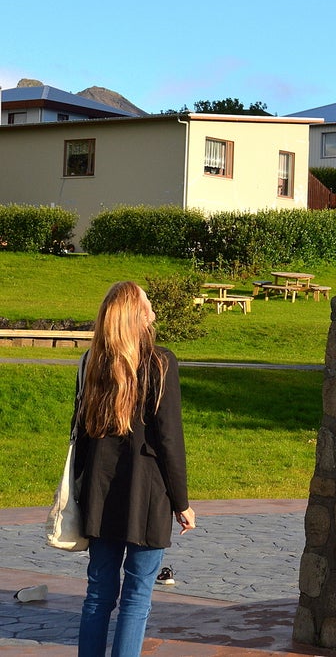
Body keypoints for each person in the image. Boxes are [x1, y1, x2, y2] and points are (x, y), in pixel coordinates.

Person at [74, 281, 196, 657]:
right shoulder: (161, 362)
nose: (154, 313)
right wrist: (182, 502)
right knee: (137, 596)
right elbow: (168, 439)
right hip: (147, 494)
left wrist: (79, 495)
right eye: (148, 306)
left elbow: (79, 434)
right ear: (136, 315)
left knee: (98, 594)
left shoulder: (91, 361)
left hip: (99, 492)